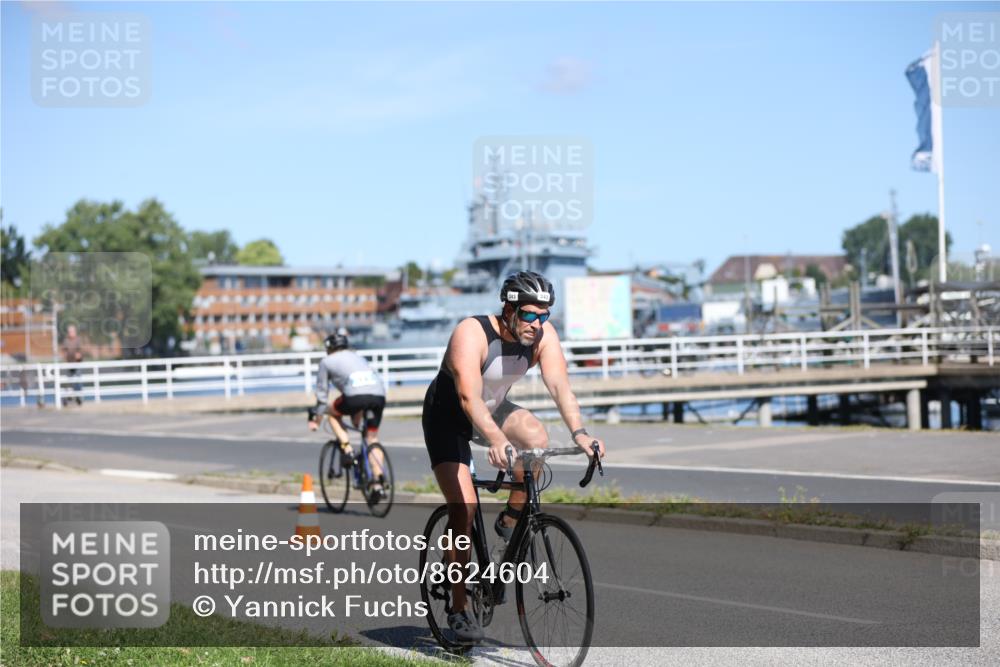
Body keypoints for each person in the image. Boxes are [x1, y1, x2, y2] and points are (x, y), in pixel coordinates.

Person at [421, 270, 606, 643]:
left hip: (496, 407)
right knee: (464, 508)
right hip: (450, 417)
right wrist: (495, 438)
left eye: (544, 316)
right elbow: (468, 398)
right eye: (530, 315)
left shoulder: (542, 337)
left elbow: (559, 386)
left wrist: (581, 433)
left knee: (537, 437)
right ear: (508, 309)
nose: (537, 324)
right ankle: (459, 609)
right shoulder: (471, 333)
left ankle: (512, 518)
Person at [307, 331, 387, 489]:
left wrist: (316, 419)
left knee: (332, 413)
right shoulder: (357, 356)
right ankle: (378, 482)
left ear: (329, 348)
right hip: (378, 395)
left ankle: (347, 449)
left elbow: (322, 395)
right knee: (372, 438)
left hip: (354, 397)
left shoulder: (326, 361)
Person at [61, 324, 83, 406]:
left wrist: (79, 355)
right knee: (68, 382)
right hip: (68, 364)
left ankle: (79, 398)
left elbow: (80, 351)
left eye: (72, 331)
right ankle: (66, 399)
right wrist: (65, 355)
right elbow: (64, 351)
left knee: (78, 382)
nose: (71, 333)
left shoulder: (78, 340)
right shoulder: (66, 340)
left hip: (77, 364)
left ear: (75, 332)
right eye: (69, 331)